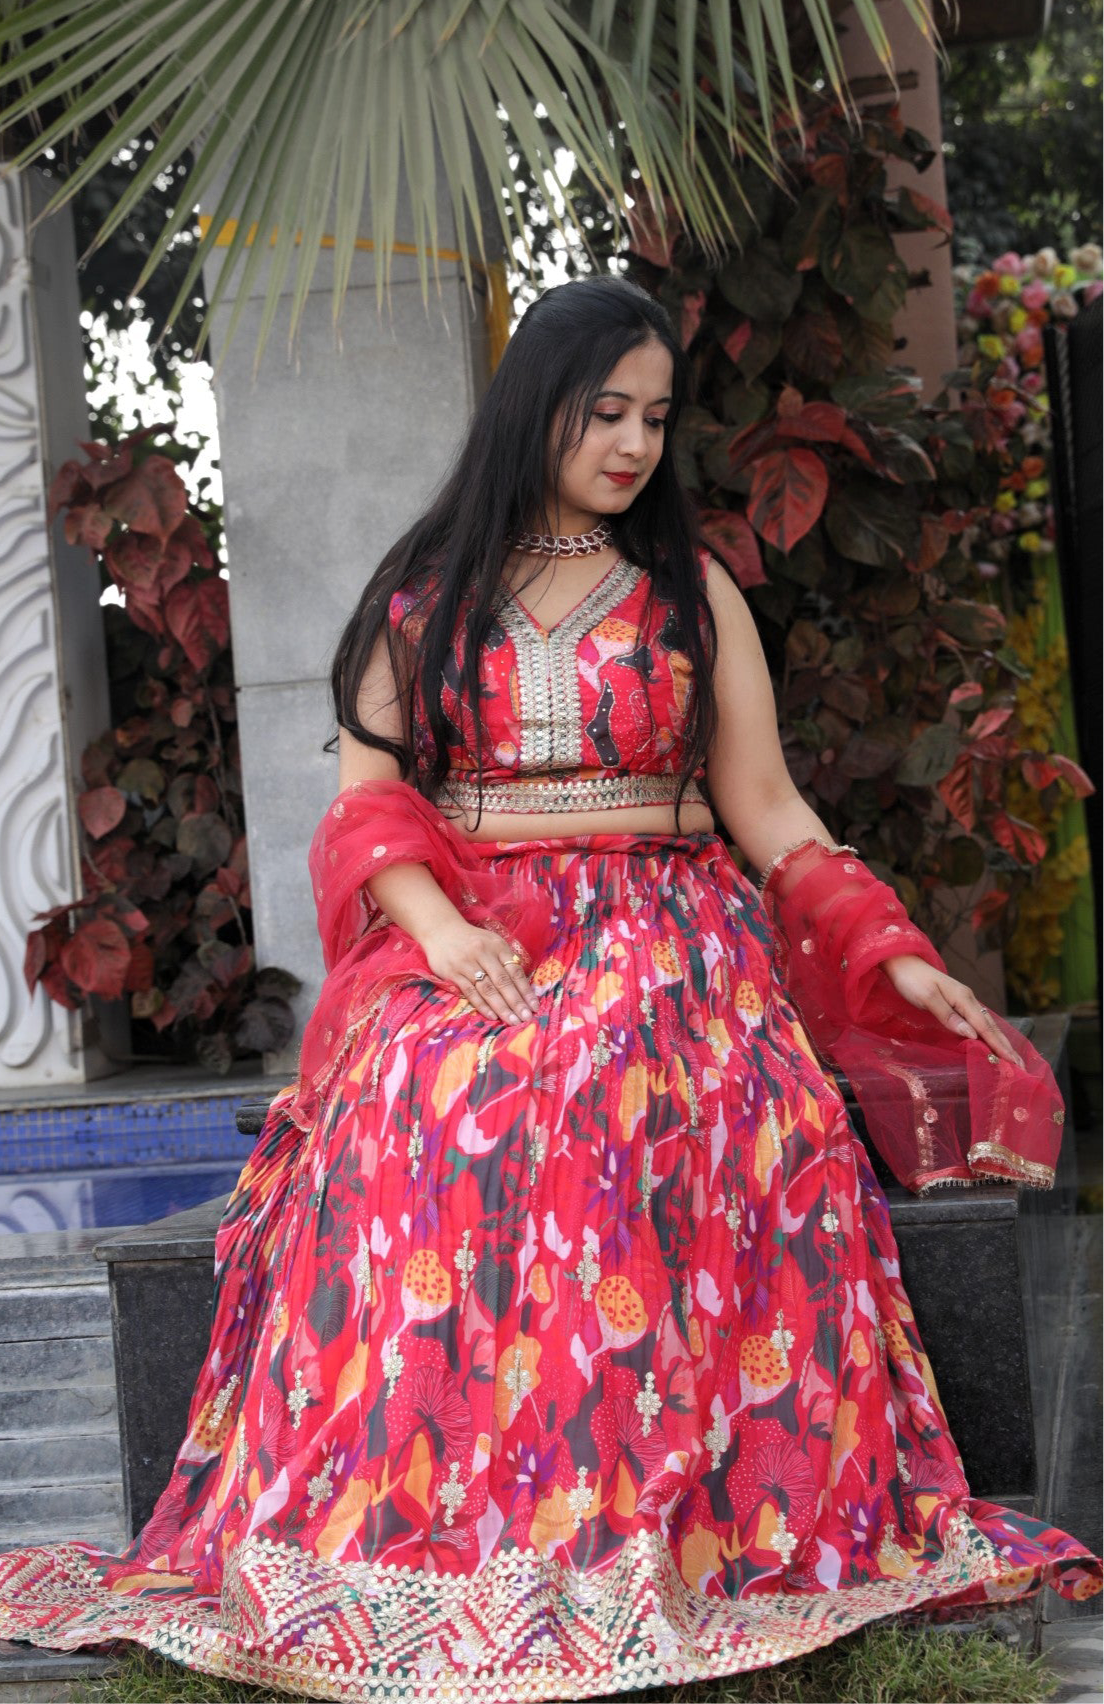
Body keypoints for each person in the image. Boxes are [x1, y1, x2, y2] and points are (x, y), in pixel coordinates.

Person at [1, 275, 1100, 1696]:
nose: (636, 442)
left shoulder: (691, 598)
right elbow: (370, 810)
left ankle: (635, 1526)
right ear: (540, 406)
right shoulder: (428, 598)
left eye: (656, 416)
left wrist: (886, 943)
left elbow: (767, 807)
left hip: (669, 934)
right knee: (422, 1092)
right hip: (471, 930)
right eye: (607, 410)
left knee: (602, 1087)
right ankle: (437, 1533)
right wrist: (441, 940)